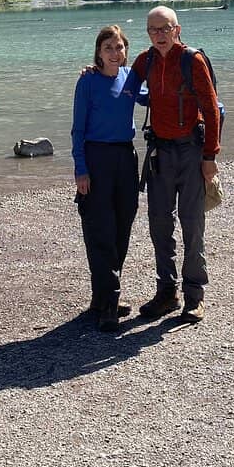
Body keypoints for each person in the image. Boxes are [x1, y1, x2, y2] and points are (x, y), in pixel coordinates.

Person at [127, 5, 221, 325]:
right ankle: (167, 292)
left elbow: (211, 111)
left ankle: (194, 296)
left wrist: (210, 157)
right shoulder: (146, 60)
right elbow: (122, 86)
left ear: (177, 30)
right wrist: (95, 71)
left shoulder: (191, 60)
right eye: (153, 30)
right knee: (159, 222)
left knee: (192, 223)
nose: (159, 35)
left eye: (164, 29)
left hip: (191, 151)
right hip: (160, 153)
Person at [71, 25, 141, 331]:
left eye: (120, 47)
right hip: (96, 159)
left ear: (127, 51)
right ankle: (110, 303)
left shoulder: (132, 78)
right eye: (108, 48)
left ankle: (101, 297)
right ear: (98, 53)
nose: (115, 53)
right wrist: (80, 168)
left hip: (126, 158)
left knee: (122, 228)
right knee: (100, 230)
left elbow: (158, 96)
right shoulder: (87, 81)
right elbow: (78, 129)